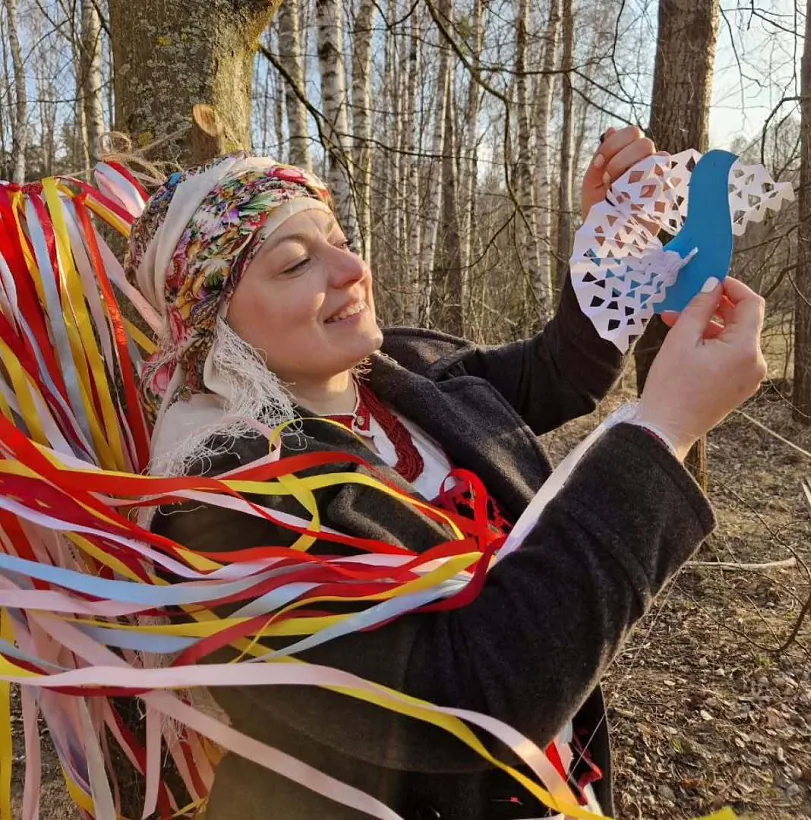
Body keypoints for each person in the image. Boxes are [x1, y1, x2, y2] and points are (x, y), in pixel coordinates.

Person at [130, 126, 767, 820]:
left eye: (339, 239)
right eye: (295, 264)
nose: (351, 269)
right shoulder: (224, 505)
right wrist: (662, 432)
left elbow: (556, 374)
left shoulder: (397, 370)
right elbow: (466, 700)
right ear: (213, 321)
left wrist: (617, 241)